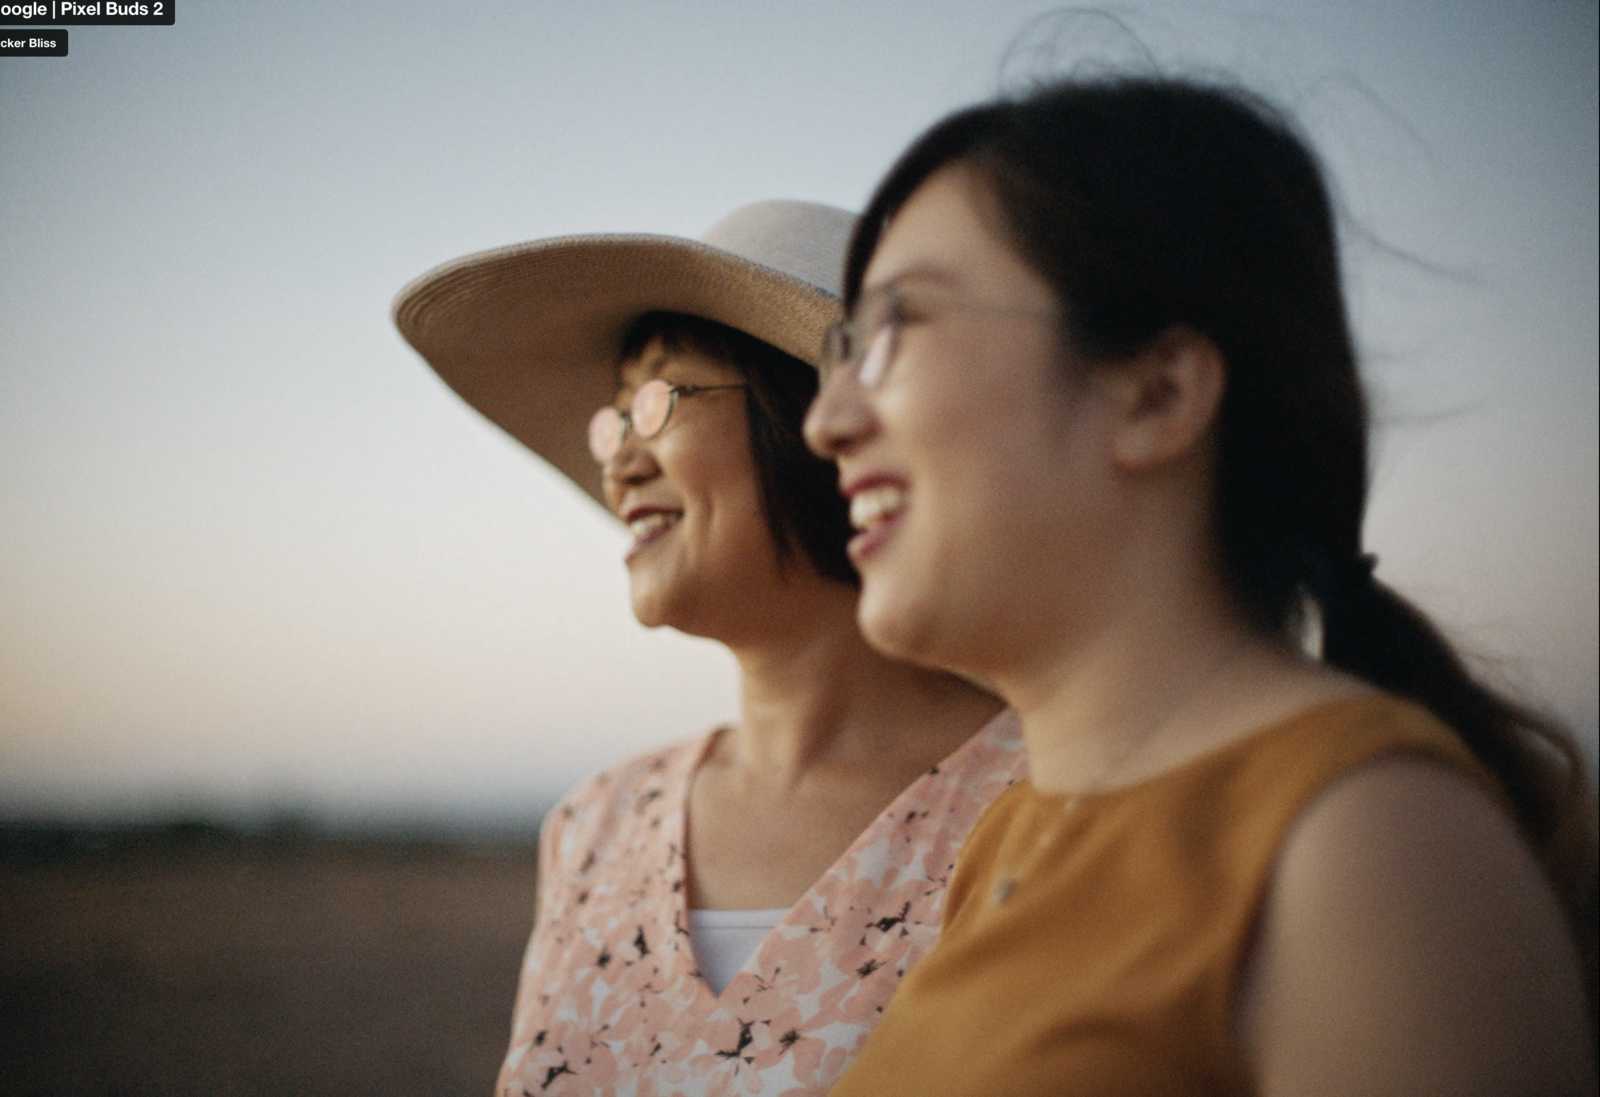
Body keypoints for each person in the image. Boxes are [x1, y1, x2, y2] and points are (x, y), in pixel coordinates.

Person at [804, 78, 1597, 1096]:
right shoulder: (1013, 833)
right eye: (842, 348)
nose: (826, 422)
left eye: (898, 326)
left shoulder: (1363, 842)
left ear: (1158, 392)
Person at [393, 200, 1025, 1096]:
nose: (617, 464)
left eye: (659, 399)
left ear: (824, 422)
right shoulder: (596, 826)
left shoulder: (1048, 812)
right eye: (613, 421)